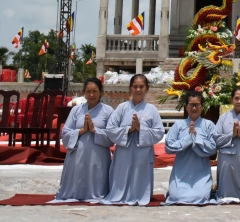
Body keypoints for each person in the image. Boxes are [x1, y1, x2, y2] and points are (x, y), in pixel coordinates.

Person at [103, 74, 165, 205]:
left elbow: (159, 132)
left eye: (141, 87)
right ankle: (120, 194)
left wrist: (140, 129)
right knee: (122, 173)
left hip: (142, 152)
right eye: (135, 86)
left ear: (146, 89)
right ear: (130, 88)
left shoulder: (152, 110)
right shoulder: (122, 108)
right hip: (124, 151)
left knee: (140, 175)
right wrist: (129, 130)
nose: (138, 89)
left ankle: (139, 195)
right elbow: (110, 129)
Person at [54, 78, 114, 202]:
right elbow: (65, 133)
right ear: (84, 93)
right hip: (77, 154)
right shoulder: (76, 110)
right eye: (88, 91)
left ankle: (97, 193)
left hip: (98, 155)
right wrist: (81, 131)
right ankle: (75, 192)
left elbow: (112, 136)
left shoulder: (108, 111)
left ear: (101, 92)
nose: (91, 95)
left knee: (96, 178)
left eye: (95, 91)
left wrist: (94, 130)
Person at [164, 90, 218, 205]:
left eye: (197, 105)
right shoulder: (178, 125)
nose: (194, 108)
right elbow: (168, 146)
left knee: (201, 196)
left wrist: (196, 138)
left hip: (200, 172)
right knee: (176, 196)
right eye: (191, 105)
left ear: (202, 106)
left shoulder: (209, 125)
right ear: (186, 107)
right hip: (181, 171)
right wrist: (188, 139)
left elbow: (213, 148)